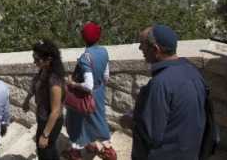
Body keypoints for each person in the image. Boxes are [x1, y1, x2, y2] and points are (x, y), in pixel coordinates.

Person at [122, 24, 207, 160]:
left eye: (142, 44)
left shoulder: (160, 84)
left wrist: (129, 121)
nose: (140, 48)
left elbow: (150, 134)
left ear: (155, 49)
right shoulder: (193, 72)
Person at [64, 22, 116, 160]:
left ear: (83, 38)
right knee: (99, 120)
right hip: (98, 94)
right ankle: (108, 150)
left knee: (77, 123)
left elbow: (88, 85)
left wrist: (73, 84)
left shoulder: (85, 58)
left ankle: (75, 152)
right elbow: (106, 76)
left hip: (84, 97)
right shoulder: (104, 52)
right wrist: (99, 89)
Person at [22, 39, 65, 160]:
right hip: (42, 117)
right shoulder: (43, 70)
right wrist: (27, 99)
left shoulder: (54, 81)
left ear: (49, 59)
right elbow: (36, 84)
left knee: (45, 150)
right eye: (33, 58)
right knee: (47, 149)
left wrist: (45, 135)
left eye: (37, 59)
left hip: (51, 122)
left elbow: (55, 111)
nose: (34, 62)